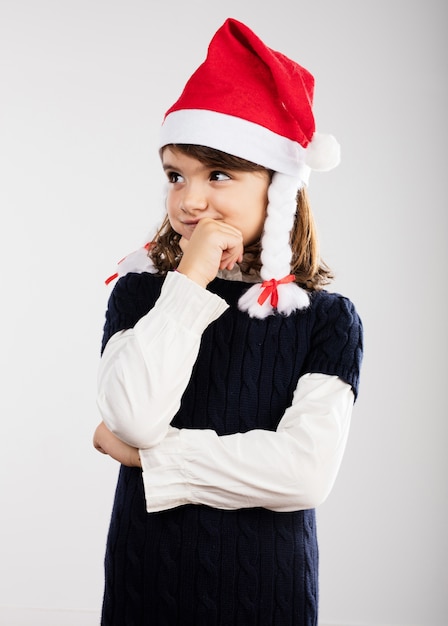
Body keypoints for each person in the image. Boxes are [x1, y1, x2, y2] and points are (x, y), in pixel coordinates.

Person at [93, 17, 363, 626]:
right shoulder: (139, 296)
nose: (189, 200)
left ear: (279, 189)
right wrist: (186, 284)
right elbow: (134, 416)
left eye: (218, 174)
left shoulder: (327, 321)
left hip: (268, 596)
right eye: (175, 175)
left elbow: (303, 475)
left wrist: (153, 461)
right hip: (146, 588)